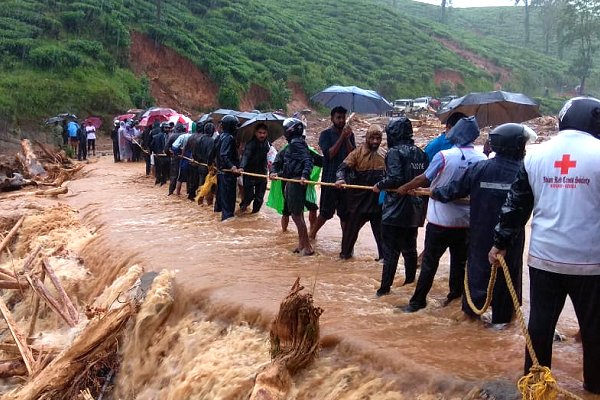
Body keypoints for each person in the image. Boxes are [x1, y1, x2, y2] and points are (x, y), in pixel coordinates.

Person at [489, 97, 600, 394]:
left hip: (543, 258)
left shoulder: (535, 155)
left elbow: (516, 205)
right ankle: (594, 387)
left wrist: (499, 243)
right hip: (591, 263)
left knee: (539, 325)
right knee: (593, 329)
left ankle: (535, 385)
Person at [432, 123, 536, 325]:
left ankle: (471, 324)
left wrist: (435, 192)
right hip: (509, 242)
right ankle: (501, 325)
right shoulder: (525, 172)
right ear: (516, 146)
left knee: (476, 281)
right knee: (507, 284)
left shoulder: (480, 168)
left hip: (480, 237)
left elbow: (453, 190)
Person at [398, 116, 486, 312]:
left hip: (440, 221)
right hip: (466, 222)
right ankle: (454, 301)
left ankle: (417, 302)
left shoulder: (445, 156)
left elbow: (424, 178)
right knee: (459, 263)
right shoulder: (482, 159)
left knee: (429, 263)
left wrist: (404, 187)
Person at [372, 117, 428, 297]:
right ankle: (410, 284)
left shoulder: (394, 152)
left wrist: (380, 185)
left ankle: (384, 290)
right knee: (410, 249)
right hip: (415, 210)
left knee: (390, 252)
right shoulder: (420, 153)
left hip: (395, 210)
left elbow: (395, 178)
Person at [335, 124, 385, 260]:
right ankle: (344, 257)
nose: (375, 141)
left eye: (378, 138)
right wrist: (340, 179)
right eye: (372, 138)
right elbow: (341, 169)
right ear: (367, 138)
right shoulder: (356, 153)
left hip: (377, 201)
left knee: (382, 236)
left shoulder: (385, 154)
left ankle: (383, 260)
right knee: (350, 234)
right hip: (358, 201)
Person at [309, 106, 356, 239]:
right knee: (325, 212)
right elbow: (329, 155)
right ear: (332, 119)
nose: (341, 120)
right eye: (338, 118)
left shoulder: (350, 134)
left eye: (343, 118)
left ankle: (346, 244)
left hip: (346, 178)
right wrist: (342, 137)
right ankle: (311, 236)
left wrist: (347, 138)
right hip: (329, 178)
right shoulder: (325, 134)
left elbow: (353, 154)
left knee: (345, 214)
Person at [270, 118, 314, 255]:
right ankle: (302, 245)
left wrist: (304, 176)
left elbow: (308, 161)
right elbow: (278, 161)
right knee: (298, 215)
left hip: (295, 183)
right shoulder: (294, 145)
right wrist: (273, 172)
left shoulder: (297, 145)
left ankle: (308, 247)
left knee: (296, 216)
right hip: (291, 181)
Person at [239, 123, 270, 213]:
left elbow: (272, 159)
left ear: (267, 133)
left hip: (262, 174)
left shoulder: (268, 145)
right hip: (250, 173)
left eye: (264, 133)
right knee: (249, 196)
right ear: (255, 133)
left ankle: (254, 215)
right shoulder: (250, 144)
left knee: (259, 198)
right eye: (260, 133)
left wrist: (272, 172)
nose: (262, 135)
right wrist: (241, 167)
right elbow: (246, 156)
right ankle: (242, 209)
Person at [215, 115, 241, 221]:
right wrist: (233, 166)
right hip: (227, 175)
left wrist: (210, 165)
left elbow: (212, 152)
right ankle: (227, 224)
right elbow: (224, 154)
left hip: (221, 173)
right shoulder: (229, 138)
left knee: (221, 202)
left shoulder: (219, 136)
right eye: (235, 126)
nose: (237, 128)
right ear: (231, 126)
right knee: (229, 205)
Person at [194, 122, 216, 205]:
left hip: (200, 165)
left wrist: (198, 161)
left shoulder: (198, 139)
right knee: (209, 186)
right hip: (209, 166)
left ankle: (199, 202)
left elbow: (194, 154)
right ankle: (209, 204)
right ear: (213, 131)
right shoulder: (212, 141)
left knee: (201, 183)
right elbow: (211, 155)